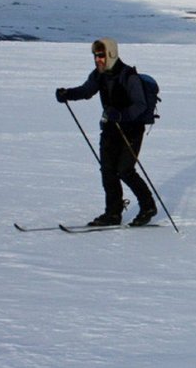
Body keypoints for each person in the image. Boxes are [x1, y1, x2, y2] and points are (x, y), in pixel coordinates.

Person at [55, 38, 157, 227]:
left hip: (132, 129)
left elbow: (141, 105)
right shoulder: (99, 75)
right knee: (108, 171)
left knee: (125, 171)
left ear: (111, 54)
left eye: (101, 55)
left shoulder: (129, 76)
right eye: (95, 56)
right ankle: (112, 213)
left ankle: (148, 207)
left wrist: (121, 115)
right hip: (110, 129)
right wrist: (67, 94)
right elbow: (86, 91)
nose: (97, 59)